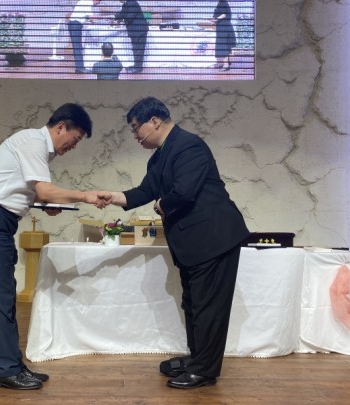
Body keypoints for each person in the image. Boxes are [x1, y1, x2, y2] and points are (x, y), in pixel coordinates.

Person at [99, 97, 249, 389]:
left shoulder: (189, 145)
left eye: (136, 128)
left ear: (154, 121)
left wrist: (160, 205)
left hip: (214, 238)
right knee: (193, 303)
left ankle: (204, 371)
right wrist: (114, 197)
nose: (135, 136)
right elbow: (145, 190)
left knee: (208, 307)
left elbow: (183, 193)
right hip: (195, 243)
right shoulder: (159, 156)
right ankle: (197, 359)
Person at [0, 103, 106, 390]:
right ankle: (5, 370)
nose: (73, 146)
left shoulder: (36, 145)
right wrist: (85, 195)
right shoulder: (33, 141)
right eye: (75, 139)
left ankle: (13, 366)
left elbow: (28, 191)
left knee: (5, 295)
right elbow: (44, 190)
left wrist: (43, 203)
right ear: (61, 127)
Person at [115, 0, 148, 74]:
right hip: (135, 31)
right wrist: (115, 16)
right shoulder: (126, 4)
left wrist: (120, 17)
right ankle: (136, 65)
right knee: (135, 49)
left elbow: (129, 17)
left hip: (139, 30)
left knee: (138, 49)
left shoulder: (132, 3)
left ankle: (138, 68)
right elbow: (122, 14)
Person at [68, 0, 100, 74]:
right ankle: (80, 68)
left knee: (78, 47)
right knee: (77, 47)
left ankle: (79, 68)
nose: (97, 4)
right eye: (98, 2)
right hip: (75, 24)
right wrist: (104, 18)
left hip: (74, 24)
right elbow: (91, 17)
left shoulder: (84, 2)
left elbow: (88, 17)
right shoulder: (87, 2)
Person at [211, 0, 236, 71]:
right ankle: (227, 62)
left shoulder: (223, 2)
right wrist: (214, 20)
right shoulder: (222, 3)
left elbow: (224, 14)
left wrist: (216, 19)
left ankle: (226, 65)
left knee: (223, 46)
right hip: (224, 27)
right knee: (225, 46)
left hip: (224, 28)